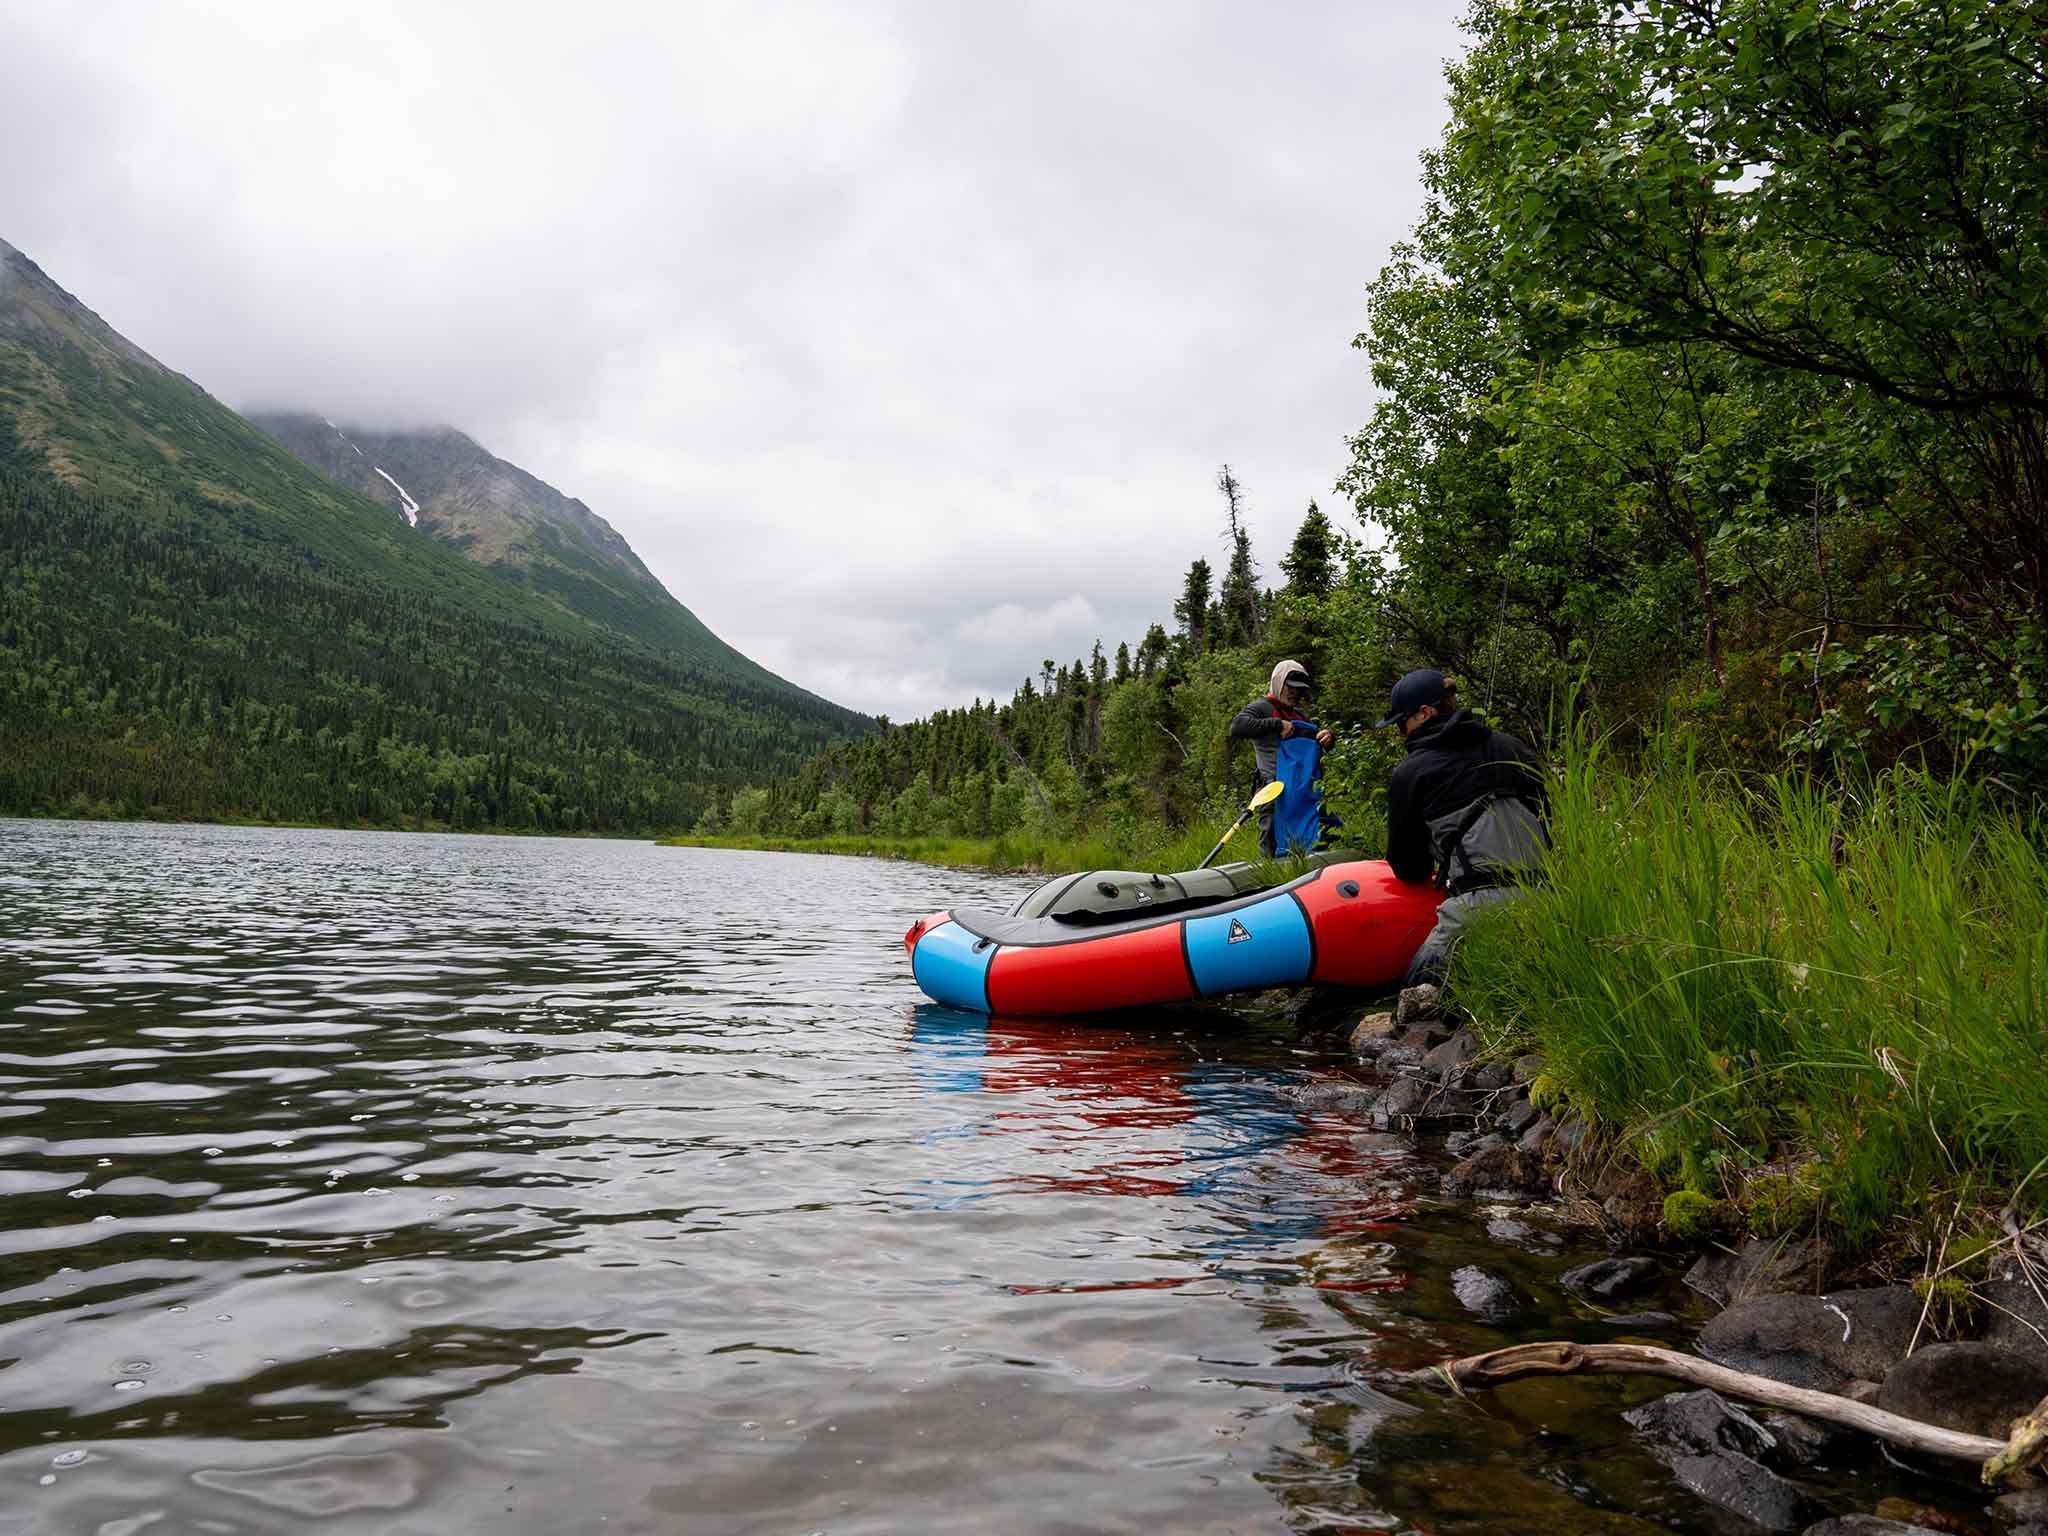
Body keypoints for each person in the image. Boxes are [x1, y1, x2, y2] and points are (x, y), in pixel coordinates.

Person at [1376, 668, 1546, 988]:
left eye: (1402, 723)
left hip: (1474, 911)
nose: (1401, 733)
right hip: (1548, 901)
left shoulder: (1411, 773)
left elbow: (1409, 868)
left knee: (1415, 994)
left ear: (1425, 713)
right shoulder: (1514, 747)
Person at [1229, 660, 1335, 856]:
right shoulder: (1261, 708)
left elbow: (1315, 746)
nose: (1295, 693)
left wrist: (1328, 738)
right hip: (1273, 791)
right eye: (1290, 687)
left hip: (1303, 792)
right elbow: (1237, 727)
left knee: (1313, 839)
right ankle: (1270, 881)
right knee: (1271, 844)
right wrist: (1277, 725)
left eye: (1299, 689)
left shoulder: (1299, 716)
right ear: (1278, 682)